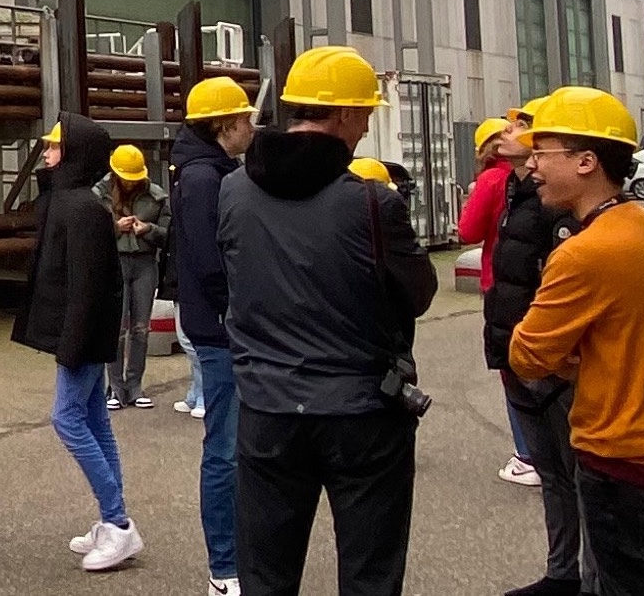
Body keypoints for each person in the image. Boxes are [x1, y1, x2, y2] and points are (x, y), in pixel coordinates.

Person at [218, 45, 436, 596]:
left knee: (266, 574)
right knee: (369, 573)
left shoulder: (233, 189)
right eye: (364, 114)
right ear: (342, 115)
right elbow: (419, 293)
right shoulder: (372, 203)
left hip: (266, 407)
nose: (365, 128)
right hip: (359, 412)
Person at [509, 89, 644, 596]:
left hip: (625, 455)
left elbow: (527, 355)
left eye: (543, 152)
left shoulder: (585, 252)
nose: (532, 165)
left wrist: (569, 361)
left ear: (586, 161)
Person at [476, 108, 589, 596]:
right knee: (553, 474)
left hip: (553, 364)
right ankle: (562, 571)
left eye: (520, 126)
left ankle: (591, 576)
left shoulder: (558, 206)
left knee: (579, 475)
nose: (507, 131)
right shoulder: (516, 192)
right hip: (516, 351)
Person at [20, 116, 140, 571]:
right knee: (93, 421)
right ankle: (114, 521)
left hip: (83, 336)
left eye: (54, 147)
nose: (46, 153)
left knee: (67, 419)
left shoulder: (82, 210)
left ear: (72, 154)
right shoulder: (72, 202)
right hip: (83, 336)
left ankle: (119, 523)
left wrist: (72, 342)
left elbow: (88, 286)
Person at [171, 76, 255, 596]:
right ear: (225, 126)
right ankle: (224, 569)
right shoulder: (206, 180)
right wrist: (233, 314)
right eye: (245, 119)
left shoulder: (208, 172)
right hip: (222, 333)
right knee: (225, 449)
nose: (252, 126)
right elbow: (209, 261)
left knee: (235, 446)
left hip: (219, 328)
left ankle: (235, 559)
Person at [455, 114, 544, 494]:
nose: (510, 132)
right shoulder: (517, 184)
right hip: (520, 288)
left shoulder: (498, 181)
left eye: (517, 127)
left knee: (517, 373)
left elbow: (468, 231)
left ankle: (529, 455)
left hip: (505, 286)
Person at [102, 143, 170, 411]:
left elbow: (168, 234)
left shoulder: (156, 196)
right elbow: (91, 230)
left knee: (141, 328)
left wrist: (149, 229)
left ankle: (135, 387)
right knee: (116, 327)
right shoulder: (101, 194)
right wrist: (115, 228)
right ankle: (115, 388)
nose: (131, 184)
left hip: (144, 263)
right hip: (116, 262)